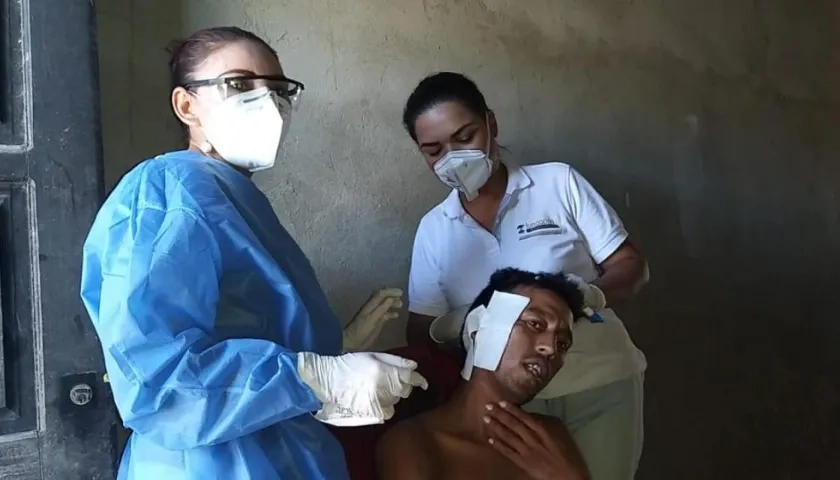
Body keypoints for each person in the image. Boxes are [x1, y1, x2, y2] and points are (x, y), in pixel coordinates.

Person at [80, 26, 427, 480]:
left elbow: (250, 328)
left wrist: (335, 348)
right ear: (186, 105)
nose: (268, 103)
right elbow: (159, 383)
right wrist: (316, 377)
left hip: (283, 448)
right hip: (209, 463)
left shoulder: (232, 197)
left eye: (279, 90)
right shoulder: (166, 191)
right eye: (239, 85)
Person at [403, 72, 649, 479]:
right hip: (508, 402)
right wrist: (460, 329)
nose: (452, 158)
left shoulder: (557, 183)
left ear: (491, 124)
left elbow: (631, 266)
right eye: (434, 150)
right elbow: (420, 330)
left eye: (464, 137)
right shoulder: (434, 229)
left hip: (598, 380)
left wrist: (588, 296)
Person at [377, 268, 591, 480]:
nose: (551, 349)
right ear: (478, 329)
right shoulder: (416, 443)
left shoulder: (550, 439)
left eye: (562, 344)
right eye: (535, 324)